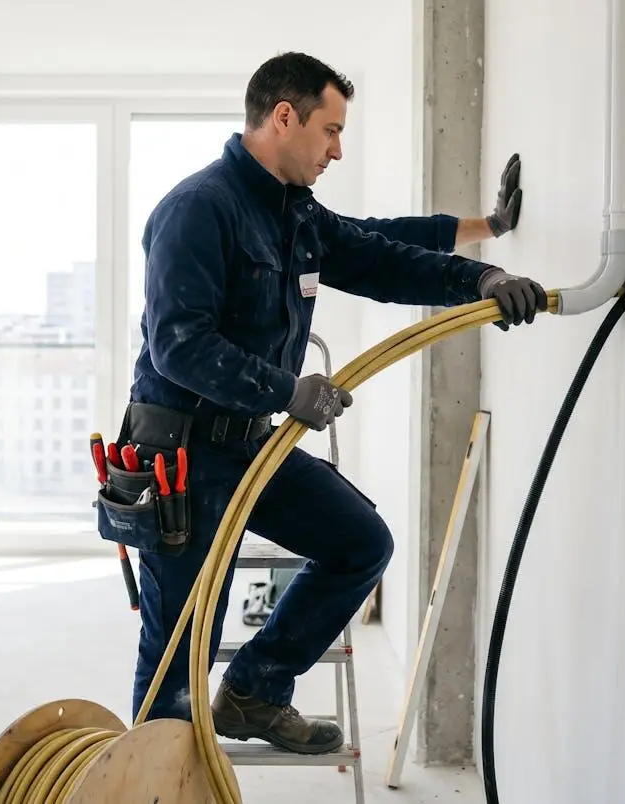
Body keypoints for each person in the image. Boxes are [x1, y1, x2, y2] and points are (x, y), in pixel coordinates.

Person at [118, 51, 547, 755]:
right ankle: (155, 783)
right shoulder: (198, 210)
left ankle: (255, 692)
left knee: (360, 544)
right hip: (182, 456)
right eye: (331, 130)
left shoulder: (296, 216)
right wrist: (287, 390)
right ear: (284, 118)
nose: (338, 150)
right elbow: (178, 347)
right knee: (180, 649)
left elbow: (383, 256)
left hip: (250, 442)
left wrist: (483, 278)